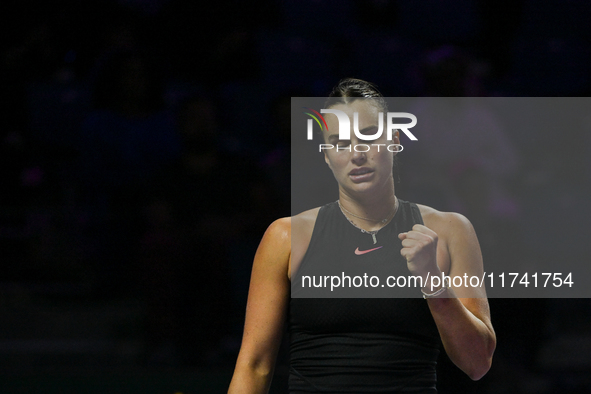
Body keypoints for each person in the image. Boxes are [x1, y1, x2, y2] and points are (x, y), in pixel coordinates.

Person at [228, 78, 496, 393]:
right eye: (340, 143)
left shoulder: (449, 230)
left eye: (368, 137)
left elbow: (477, 363)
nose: (356, 154)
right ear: (327, 155)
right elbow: (254, 365)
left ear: (395, 140)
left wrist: (432, 280)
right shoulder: (285, 237)